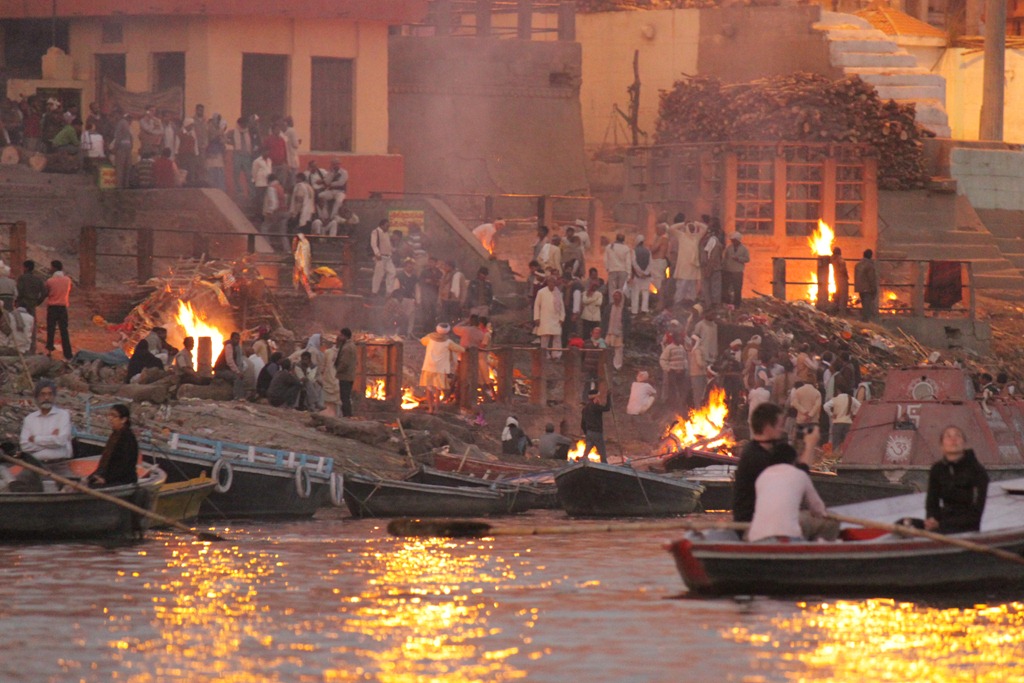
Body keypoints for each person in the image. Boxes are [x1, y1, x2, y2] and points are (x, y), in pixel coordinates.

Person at [733, 402, 838, 541]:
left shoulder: (758, 450)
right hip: (751, 525)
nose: (783, 430)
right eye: (780, 425)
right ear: (768, 427)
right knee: (829, 522)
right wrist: (810, 445)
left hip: (761, 522)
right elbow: (798, 476)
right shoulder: (757, 457)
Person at [747, 458, 831, 543]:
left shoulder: (763, 476)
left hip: (755, 537)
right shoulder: (801, 475)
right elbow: (818, 508)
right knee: (829, 523)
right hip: (786, 536)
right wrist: (823, 514)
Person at [925, 426, 989, 533]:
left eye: (957, 436)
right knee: (904, 523)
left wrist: (941, 524)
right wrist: (931, 519)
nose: (953, 439)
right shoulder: (937, 469)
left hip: (966, 526)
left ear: (964, 443)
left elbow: (976, 513)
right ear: (941, 445)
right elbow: (932, 502)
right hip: (943, 520)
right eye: (948, 436)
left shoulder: (977, 471)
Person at [19, 380, 73, 477]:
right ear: (36, 397)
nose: (46, 398)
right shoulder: (29, 419)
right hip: (36, 466)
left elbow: (61, 441)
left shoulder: (63, 415)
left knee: (70, 488)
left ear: (54, 396)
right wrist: (52, 440)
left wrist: (35, 439)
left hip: (59, 466)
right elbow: (24, 446)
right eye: (42, 394)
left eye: (50, 394)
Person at [85, 404, 139, 488]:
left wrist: (106, 479)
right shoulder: (115, 434)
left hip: (122, 479)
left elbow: (124, 465)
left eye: (114, 416)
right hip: (109, 475)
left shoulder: (127, 438)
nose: (110, 418)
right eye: (109, 415)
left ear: (123, 419)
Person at [420, 323, 464, 414]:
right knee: (438, 389)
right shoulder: (448, 342)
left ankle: (430, 409)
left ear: (437, 329)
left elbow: (422, 341)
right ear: (447, 331)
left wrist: (430, 334)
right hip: (441, 369)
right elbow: (461, 349)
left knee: (429, 388)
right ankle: (436, 409)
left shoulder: (429, 339)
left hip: (428, 367)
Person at [44, 260, 73, 359]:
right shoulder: (68, 280)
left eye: (51, 267)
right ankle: (68, 354)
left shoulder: (50, 281)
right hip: (63, 308)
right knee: (64, 330)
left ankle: (49, 351)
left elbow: (46, 293)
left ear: (54, 268)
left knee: (51, 330)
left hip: (52, 307)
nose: (50, 269)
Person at [534, 275, 565, 359]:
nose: (552, 284)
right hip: (544, 318)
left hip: (556, 318)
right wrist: (536, 317)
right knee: (544, 338)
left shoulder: (558, 293)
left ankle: (556, 355)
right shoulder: (541, 292)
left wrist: (562, 318)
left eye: (553, 282)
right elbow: (537, 305)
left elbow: (562, 306)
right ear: (547, 283)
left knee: (557, 338)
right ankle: (544, 355)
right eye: (550, 282)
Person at [822, 389, 860, 454]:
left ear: (838, 391)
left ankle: (835, 457)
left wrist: (831, 415)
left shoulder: (835, 399)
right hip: (848, 422)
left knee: (836, 442)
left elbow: (825, 406)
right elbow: (859, 406)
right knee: (847, 443)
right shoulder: (852, 399)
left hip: (837, 422)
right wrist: (854, 413)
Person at [581, 387, 612, 463]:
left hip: (589, 433)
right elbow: (607, 408)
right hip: (597, 433)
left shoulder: (585, 408)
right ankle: (605, 468)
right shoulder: (595, 407)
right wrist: (609, 397)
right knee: (602, 454)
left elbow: (582, 424)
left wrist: (586, 432)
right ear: (596, 398)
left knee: (586, 454)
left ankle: (581, 464)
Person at [214, 331, 246, 399]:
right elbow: (229, 361)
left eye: (238, 339)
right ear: (231, 338)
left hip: (226, 370)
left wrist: (240, 371)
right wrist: (237, 372)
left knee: (240, 376)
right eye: (236, 339)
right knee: (237, 377)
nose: (237, 341)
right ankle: (237, 397)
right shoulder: (229, 346)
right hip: (220, 370)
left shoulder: (236, 347)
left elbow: (239, 360)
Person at [722, 232, 750, 307]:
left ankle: (737, 304)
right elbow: (725, 258)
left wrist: (738, 258)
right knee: (726, 287)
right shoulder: (729, 248)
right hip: (728, 270)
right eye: (732, 240)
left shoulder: (744, 249)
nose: (733, 242)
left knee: (737, 288)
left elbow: (747, 259)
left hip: (737, 271)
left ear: (738, 240)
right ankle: (727, 302)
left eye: (734, 240)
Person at [370, 219, 396, 297]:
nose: (388, 227)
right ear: (382, 225)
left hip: (388, 257)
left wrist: (392, 250)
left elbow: (388, 244)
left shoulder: (387, 233)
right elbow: (373, 243)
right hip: (380, 256)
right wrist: (377, 253)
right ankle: (374, 292)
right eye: (387, 226)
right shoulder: (375, 232)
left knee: (392, 272)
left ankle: (389, 292)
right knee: (379, 274)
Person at [334, 328, 356, 417]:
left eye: (340, 335)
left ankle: (347, 416)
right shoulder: (351, 345)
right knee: (346, 397)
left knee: (344, 398)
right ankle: (347, 416)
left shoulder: (347, 348)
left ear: (344, 336)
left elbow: (344, 363)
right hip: (349, 376)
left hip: (345, 376)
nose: (338, 337)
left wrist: (337, 371)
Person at [854, 249, 879, 321]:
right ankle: (865, 321)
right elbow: (871, 278)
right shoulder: (870, 266)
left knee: (864, 304)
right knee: (867, 305)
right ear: (870, 256)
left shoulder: (858, 264)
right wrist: (874, 289)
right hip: (867, 288)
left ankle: (864, 319)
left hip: (860, 288)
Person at [631, 234, 652, 315]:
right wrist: (645, 273)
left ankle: (634, 311)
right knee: (645, 292)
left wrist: (640, 273)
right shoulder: (648, 251)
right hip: (646, 276)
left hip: (637, 276)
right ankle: (644, 309)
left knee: (635, 293)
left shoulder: (634, 251)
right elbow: (650, 263)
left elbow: (634, 263)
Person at [832, 247, 850, 314]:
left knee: (838, 294)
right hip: (842, 278)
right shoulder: (840, 259)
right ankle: (842, 311)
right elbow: (842, 267)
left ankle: (836, 309)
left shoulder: (833, 259)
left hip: (836, 277)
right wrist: (846, 275)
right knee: (843, 295)